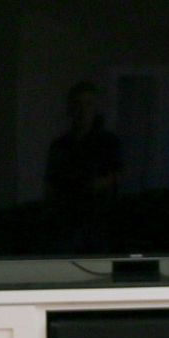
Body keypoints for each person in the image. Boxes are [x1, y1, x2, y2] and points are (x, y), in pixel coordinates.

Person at [45, 81, 121, 249]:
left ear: (95, 108)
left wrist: (97, 185)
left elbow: (117, 174)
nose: (83, 109)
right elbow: (51, 183)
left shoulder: (108, 141)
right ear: (70, 108)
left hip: (98, 220)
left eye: (88, 104)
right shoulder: (60, 145)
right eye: (78, 104)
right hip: (66, 221)